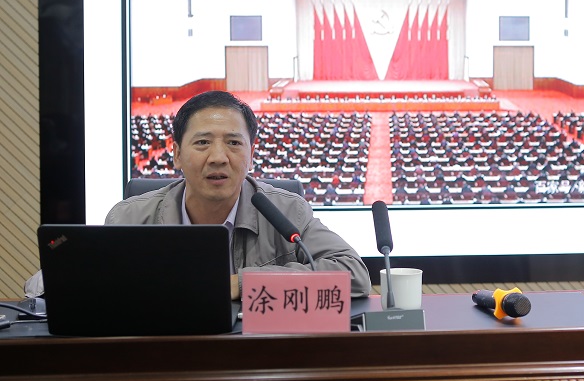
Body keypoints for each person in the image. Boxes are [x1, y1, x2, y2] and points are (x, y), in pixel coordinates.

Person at [25, 91, 371, 299]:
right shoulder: (131, 217)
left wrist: (242, 283)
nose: (218, 157)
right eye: (202, 142)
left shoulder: (285, 211)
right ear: (176, 154)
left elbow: (354, 274)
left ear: (251, 155)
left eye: (233, 143)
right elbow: (47, 284)